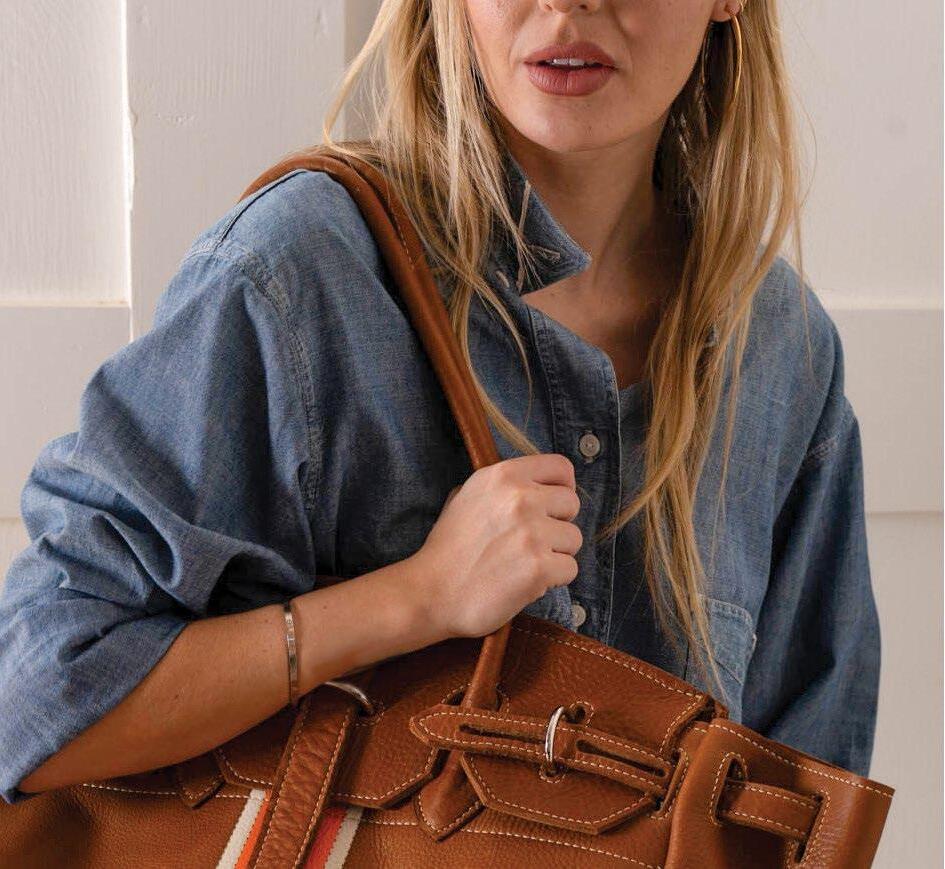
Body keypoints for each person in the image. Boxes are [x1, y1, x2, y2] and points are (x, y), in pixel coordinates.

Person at [0, 0, 880, 805]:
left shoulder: (778, 347)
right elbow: (33, 697)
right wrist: (413, 598)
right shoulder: (301, 275)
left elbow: (801, 798)